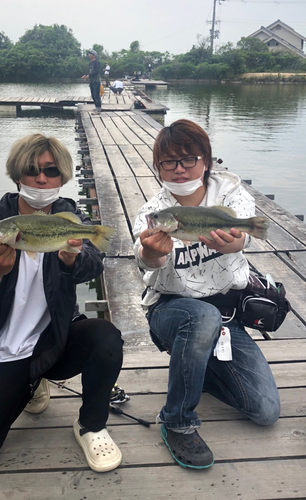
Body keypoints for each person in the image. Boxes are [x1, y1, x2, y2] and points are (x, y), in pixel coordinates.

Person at [0, 133, 123, 473]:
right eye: (32, 170)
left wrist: (72, 258)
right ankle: (31, 383)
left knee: (106, 337)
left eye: (51, 171)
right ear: (18, 174)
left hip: (58, 338)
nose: (41, 179)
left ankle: (91, 425)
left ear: (62, 176)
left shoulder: (67, 215)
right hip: (7, 347)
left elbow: (92, 265)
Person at [133, 119, 280, 470]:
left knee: (265, 410)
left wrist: (240, 239)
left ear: (206, 160)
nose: (180, 169)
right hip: (171, 311)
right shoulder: (153, 214)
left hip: (227, 315)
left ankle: (195, 364)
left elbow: (245, 228)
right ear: (158, 167)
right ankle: (177, 420)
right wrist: (152, 253)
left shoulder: (229, 192)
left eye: (189, 159)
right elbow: (144, 264)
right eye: (169, 162)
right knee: (202, 317)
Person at [81, 49, 102, 115]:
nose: (89, 55)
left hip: (96, 81)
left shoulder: (97, 63)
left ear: (94, 55)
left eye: (91, 54)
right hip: (92, 81)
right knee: (93, 95)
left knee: (96, 95)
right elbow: (89, 72)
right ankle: (96, 107)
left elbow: (97, 71)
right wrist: (86, 75)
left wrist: (89, 75)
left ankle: (98, 109)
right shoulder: (90, 63)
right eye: (89, 54)